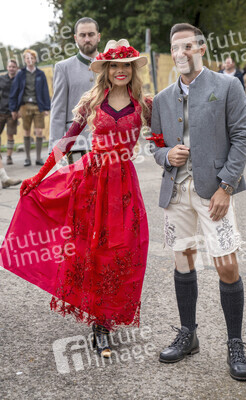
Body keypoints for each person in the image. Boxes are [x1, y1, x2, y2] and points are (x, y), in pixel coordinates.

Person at [0, 39, 152, 358]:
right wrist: (39, 177)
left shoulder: (144, 103)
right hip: (92, 181)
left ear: (132, 70)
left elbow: (164, 137)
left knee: (122, 249)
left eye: (126, 65)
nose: (120, 71)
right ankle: (101, 325)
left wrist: (176, 158)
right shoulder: (92, 101)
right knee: (93, 250)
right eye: (114, 65)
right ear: (106, 70)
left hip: (123, 186)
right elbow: (66, 141)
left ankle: (107, 315)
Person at [150, 23, 246, 381]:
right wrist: (166, 155)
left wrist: (226, 185)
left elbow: (242, 137)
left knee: (226, 266)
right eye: (176, 47)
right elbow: (154, 143)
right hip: (176, 193)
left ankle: (235, 342)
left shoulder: (227, 86)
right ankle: (188, 334)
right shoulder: (161, 98)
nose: (182, 53)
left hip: (214, 193)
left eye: (188, 46)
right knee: (183, 261)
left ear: (202, 49)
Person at [49, 17, 100, 164]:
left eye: (91, 34)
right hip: (76, 144)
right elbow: (58, 110)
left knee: (106, 186)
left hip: (107, 142)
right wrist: (56, 148)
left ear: (98, 36)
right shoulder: (63, 68)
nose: (87, 39)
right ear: (75, 38)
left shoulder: (111, 65)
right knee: (79, 186)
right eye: (82, 35)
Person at [9, 49, 50, 167]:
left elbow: (45, 91)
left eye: (32, 57)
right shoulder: (20, 74)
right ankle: (27, 158)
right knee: (26, 131)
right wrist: (13, 109)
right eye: (27, 58)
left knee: (39, 131)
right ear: (25, 60)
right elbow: (14, 91)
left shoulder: (40, 74)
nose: (29, 60)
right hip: (24, 106)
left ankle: (38, 158)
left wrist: (46, 107)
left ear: (35, 59)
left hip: (38, 106)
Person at [0, 59, 19, 165]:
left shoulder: (19, 80)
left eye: (13, 67)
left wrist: (18, 109)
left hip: (13, 112)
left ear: (16, 68)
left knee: (10, 135)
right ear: (7, 67)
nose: (11, 68)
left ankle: (9, 157)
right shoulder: (1, 78)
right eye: (10, 66)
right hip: (1, 111)